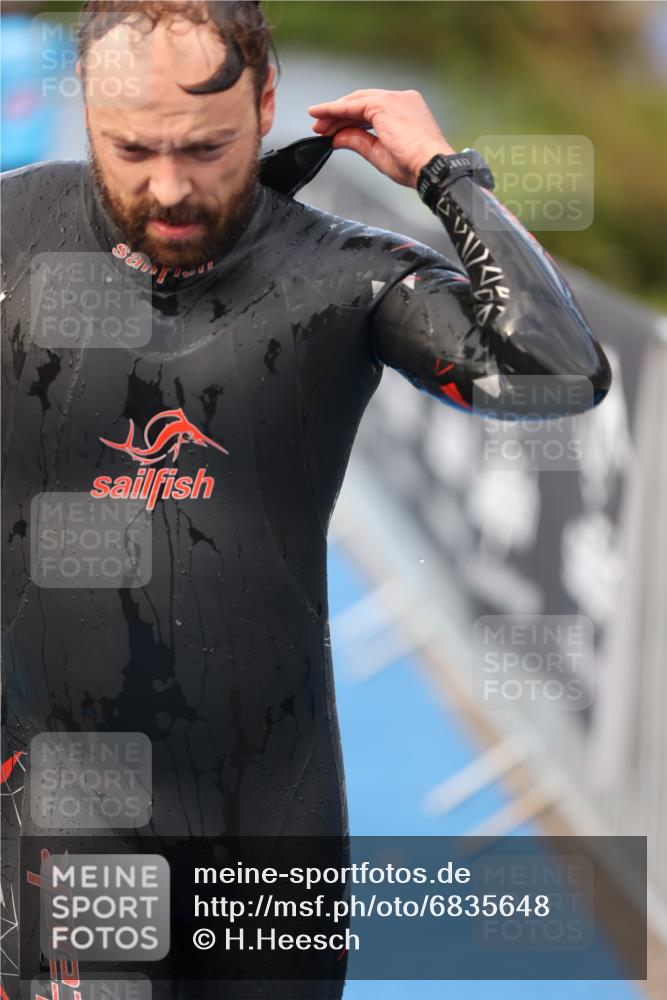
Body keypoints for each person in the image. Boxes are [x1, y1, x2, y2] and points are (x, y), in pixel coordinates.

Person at [1, 2, 611, 998]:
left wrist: (445, 177)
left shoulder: (341, 273)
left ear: (268, 102)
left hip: (271, 824)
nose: (168, 186)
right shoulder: (10, 238)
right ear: (85, 120)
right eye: (132, 148)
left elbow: (553, 369)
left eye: (206, 146)